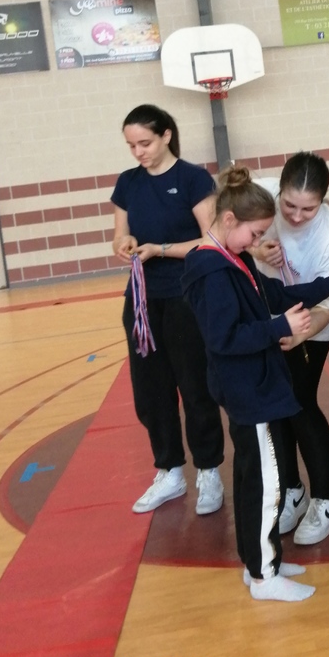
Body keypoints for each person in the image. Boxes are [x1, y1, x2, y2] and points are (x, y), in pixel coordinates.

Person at [181, 166, 329, 602]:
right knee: (265, 485)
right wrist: (280, 327)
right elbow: (224, 338)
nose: (258, 242)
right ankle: (264, 576)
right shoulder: (211, 271)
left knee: (252, 479)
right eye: (255, 233)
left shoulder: (234, 258)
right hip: (248, 391)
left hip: (253, 387)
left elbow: (274, 296)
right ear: (228, 221)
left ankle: (259, 559)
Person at [111, 104, 225, 515]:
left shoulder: (193, 178)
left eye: (145, 143)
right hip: (142, 301)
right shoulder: (127, 183)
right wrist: (124, 245)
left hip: (185, 298)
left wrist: (161, 249)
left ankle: (208, 470)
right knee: (151, 391)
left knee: (194, 387)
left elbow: (212, 240)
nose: (138, 152)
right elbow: (119, 235)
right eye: (131, 145)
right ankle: (170, 471)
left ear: (166, 136)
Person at [252, 152, 329, 546]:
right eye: (289, 205)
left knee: (299, 402)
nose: (295, 216)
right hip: (268, 318)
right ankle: (292, 491)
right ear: (278, 191)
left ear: (322, 201)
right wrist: (258, 249)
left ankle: (325, 503)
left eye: (307, 209)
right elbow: (226, 232)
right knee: (274, 407)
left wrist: (298, 335)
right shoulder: (260, 196)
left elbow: (327, 307)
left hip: (312, 324)